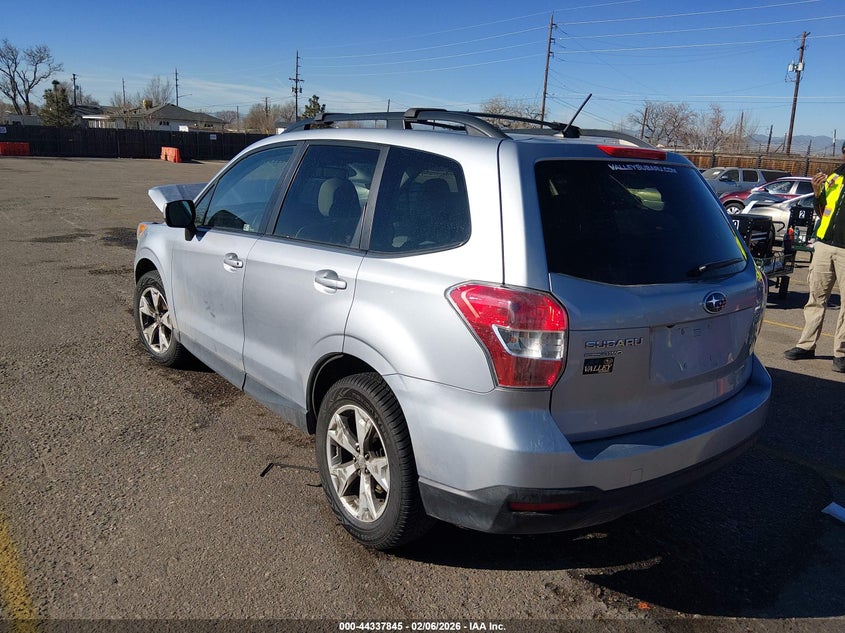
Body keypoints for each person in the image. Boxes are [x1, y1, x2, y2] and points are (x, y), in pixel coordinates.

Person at [783, 141, 845, 372]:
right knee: (816, 298)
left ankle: (841, 353)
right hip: (824, 246)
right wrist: (817, 191)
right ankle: (806, 345)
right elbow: (822, 211)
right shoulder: (835, 178)